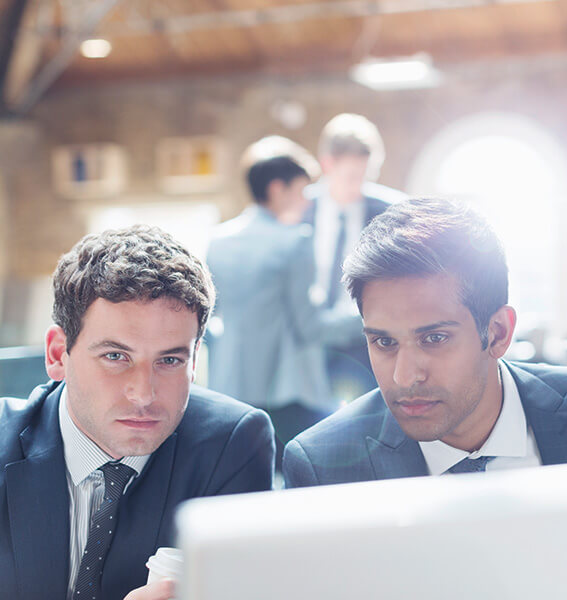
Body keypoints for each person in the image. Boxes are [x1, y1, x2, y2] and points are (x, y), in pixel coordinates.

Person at [283, 199, 567, 488]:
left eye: (434, 338)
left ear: (499, 333)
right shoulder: (322, 465)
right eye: (384, 342)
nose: (404, 376)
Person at [0, 226, 275, 600]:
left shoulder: (234, 445)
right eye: (116, 356)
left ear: (195, 360)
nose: (143, 394)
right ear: (56, 354)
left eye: (170, 360)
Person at [207, 136, 361, 445]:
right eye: (301, 191)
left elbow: (212, 317)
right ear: (277, 189)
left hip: (230, 388)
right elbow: (310, 328)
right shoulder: (294, 242)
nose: (307, 202)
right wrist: (367, 318)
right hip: (286, 391)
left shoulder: (218, 241)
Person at [304, 113, 406, 403]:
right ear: (327, 164)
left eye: (365, 176)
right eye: (351, 176)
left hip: (364, 342)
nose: (358, 185)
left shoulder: (392, 211)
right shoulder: (296, 210)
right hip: (308, 345)